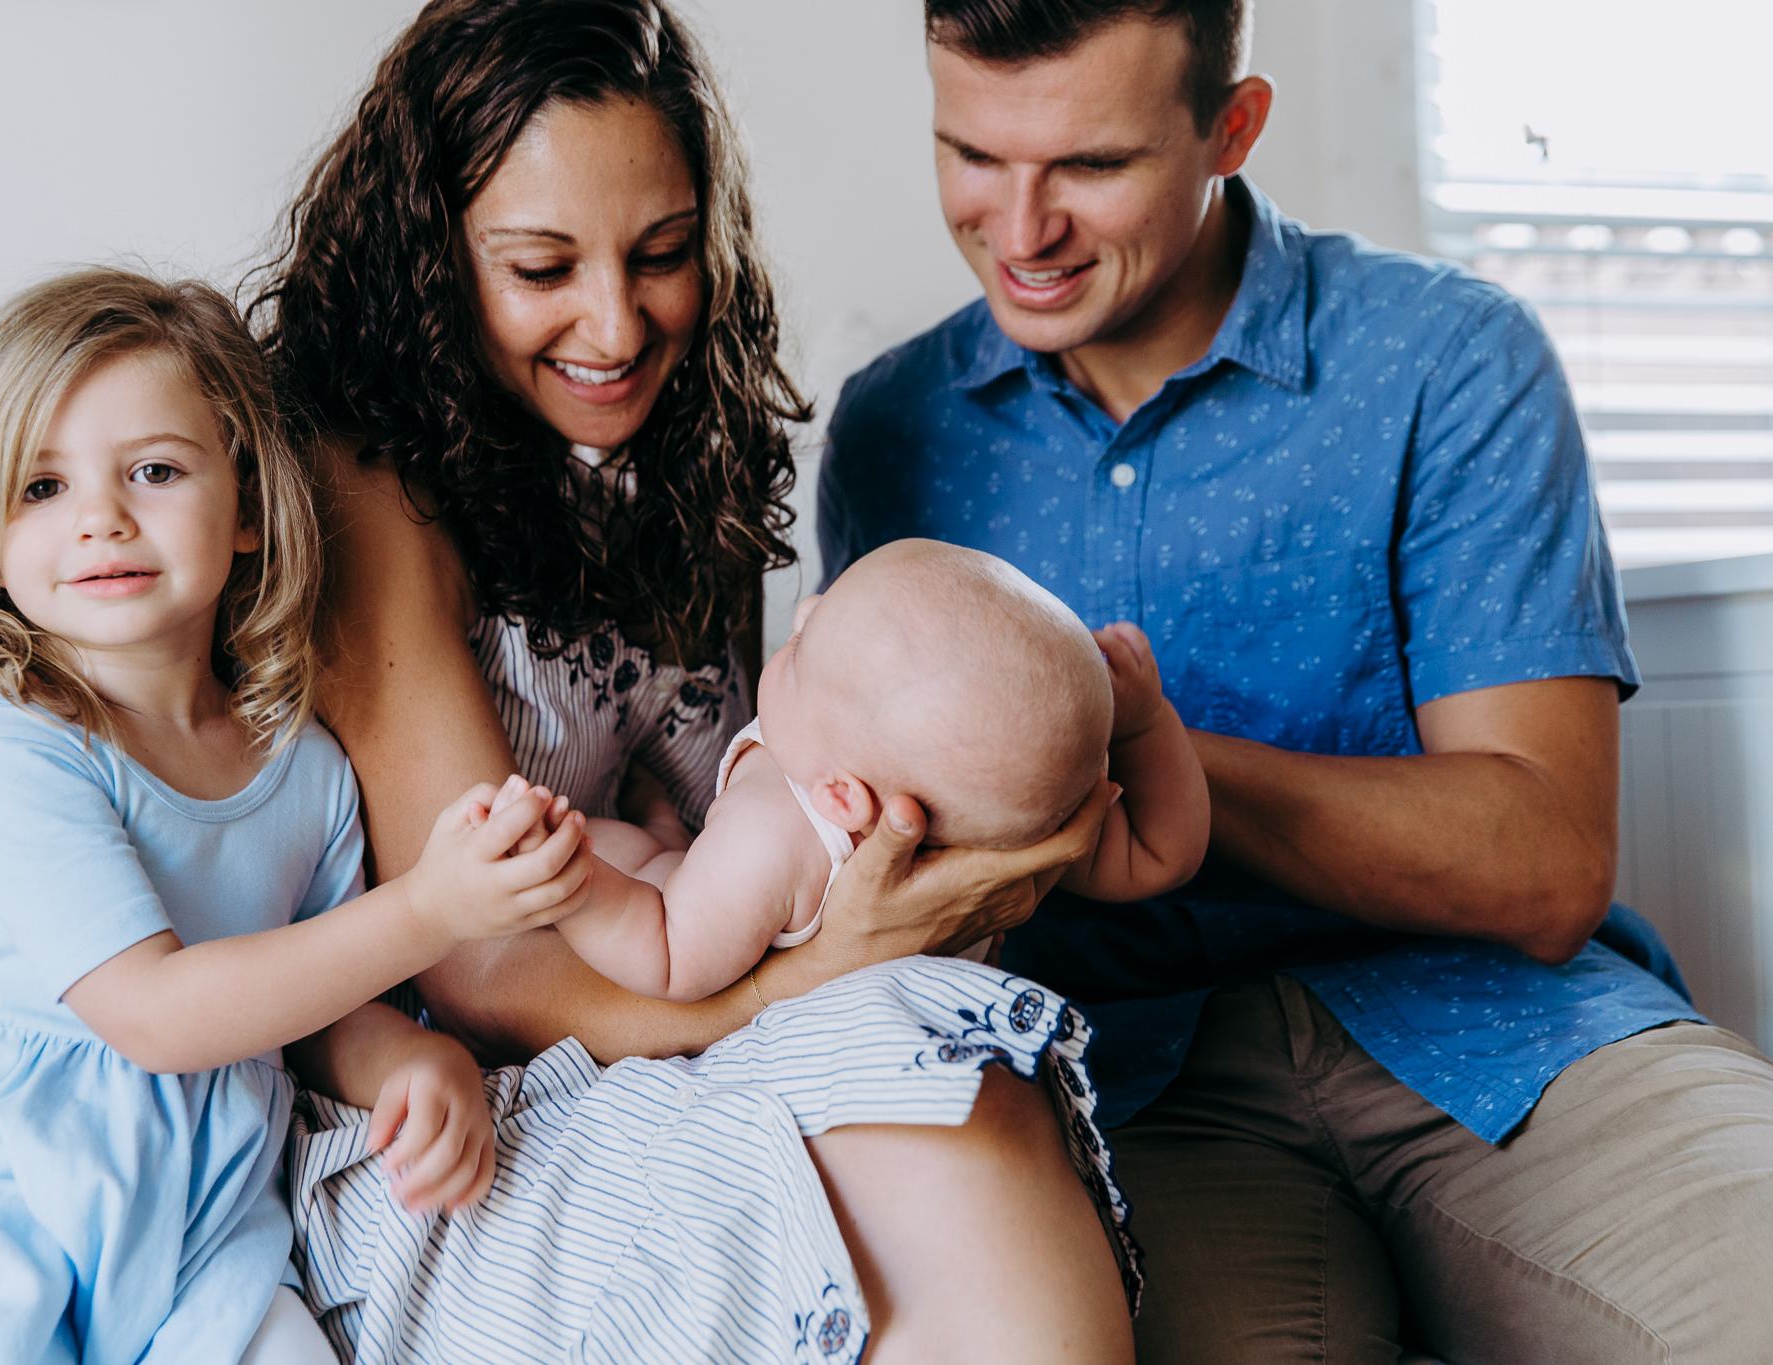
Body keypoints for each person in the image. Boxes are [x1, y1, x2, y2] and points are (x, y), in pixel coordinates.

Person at [819, 0, 1773, 1360]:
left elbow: (1548, 861)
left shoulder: (1449, 361)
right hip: (1131, 1093)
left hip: (1511, 1037)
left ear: (1233, 128)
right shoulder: (890, 432)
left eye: (1091, 167)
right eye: (972, 154)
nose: (1021, 232)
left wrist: (1144, 765)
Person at [249, 1, 1136, 1360]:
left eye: (661, 255)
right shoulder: (371, 496)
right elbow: (488, 958)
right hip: (452, 1087)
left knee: (963, 1082)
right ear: (431, 264)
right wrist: (820, 976)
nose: (617, 324)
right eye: (542, 267)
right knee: (930, 1096)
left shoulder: (669, 459)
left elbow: (741, 799)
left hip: (656, 1012)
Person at [0, 269, 594, 1365]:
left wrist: (419, 1069)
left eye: (154, 469)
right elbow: (154, 1015)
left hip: (203, 1221)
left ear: (243, 510)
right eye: (40, 489)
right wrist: (430, 909)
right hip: (2, 1195)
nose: (101, 518)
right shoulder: (13, 748)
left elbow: (316, 1009)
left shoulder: (307, 767)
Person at [554, 538, 1209, 1002]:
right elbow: (1162, 852)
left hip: (760, 1001)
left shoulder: (773, 836)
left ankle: (646, 844)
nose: (802, 609)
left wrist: (576, 886)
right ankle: (667, 830)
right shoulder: (1012, 835)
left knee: (624, 854)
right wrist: (1146, 722)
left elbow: (669, 956)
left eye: (802, 646)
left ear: (841, 796)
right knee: (676, 851)